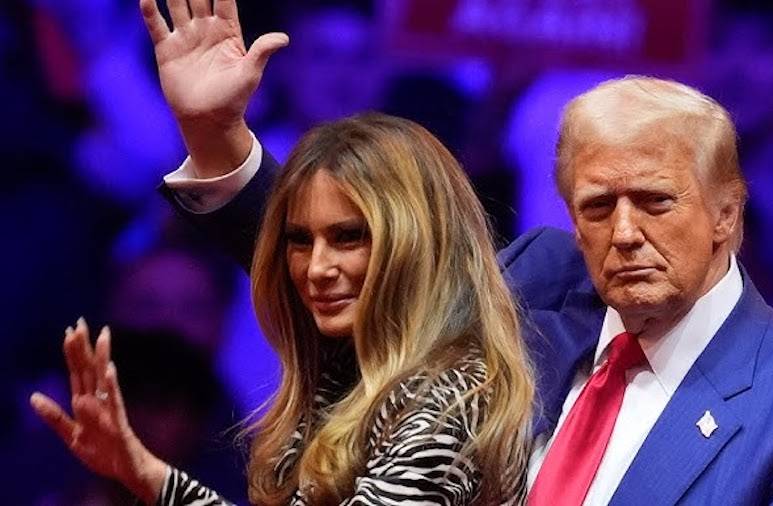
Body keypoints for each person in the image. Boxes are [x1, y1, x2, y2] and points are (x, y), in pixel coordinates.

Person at [140, 0, 773, 503]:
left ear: (728, 213)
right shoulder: (539, 283)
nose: (624, 232)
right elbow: (354, 264)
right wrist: (217, 136)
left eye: (656, 202)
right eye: (597, 207)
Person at [29, 5, 535, 503]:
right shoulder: (363, 369)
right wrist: (147, 473)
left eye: (348, 238)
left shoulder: (444, 397)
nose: (316, 268)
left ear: (414, 244)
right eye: (299, 241)